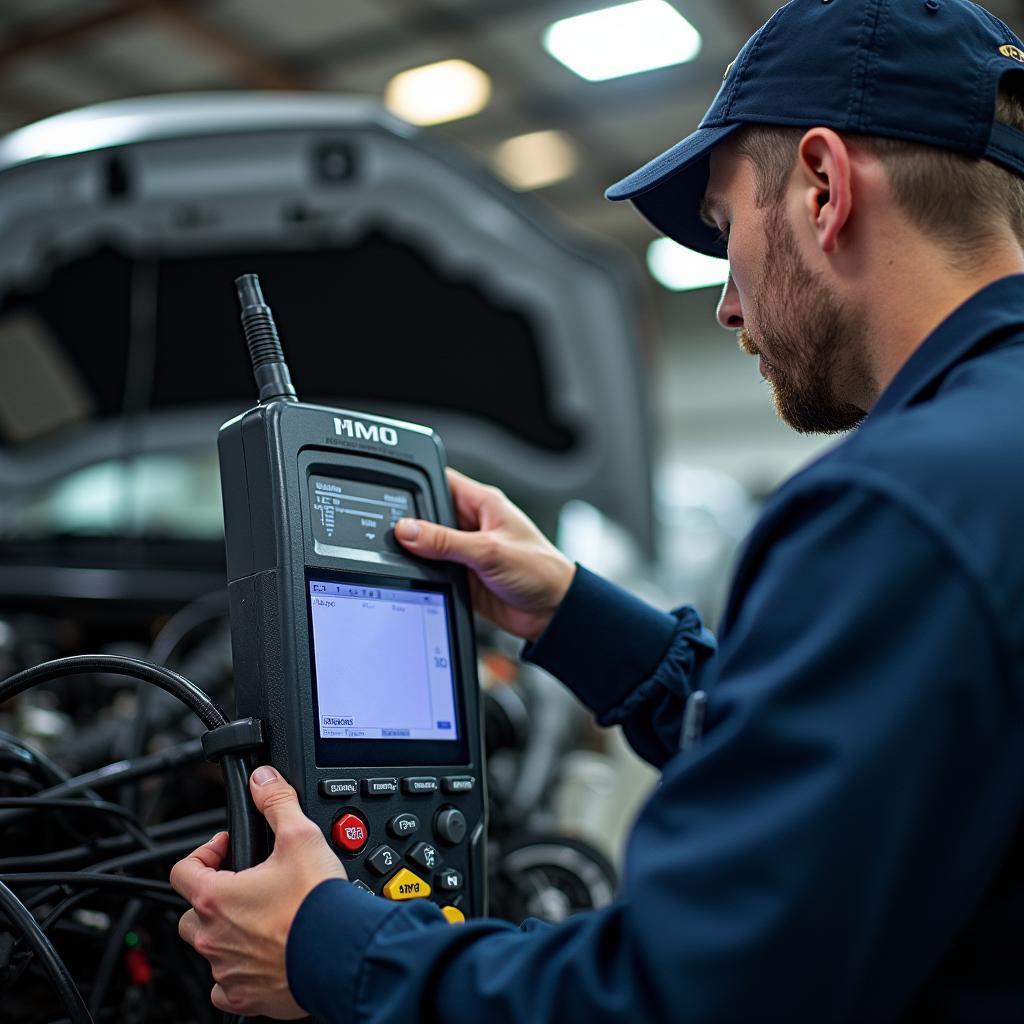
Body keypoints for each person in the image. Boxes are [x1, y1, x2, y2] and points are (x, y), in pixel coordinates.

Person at [170, 0, 1024, 1020]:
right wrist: (573, 614)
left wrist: (332, 949)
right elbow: (875, 766)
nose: (726, 302)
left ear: (824, 186)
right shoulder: (977, 474)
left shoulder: (894, 507)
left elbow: (678, 993)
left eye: (721, 228)